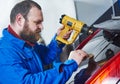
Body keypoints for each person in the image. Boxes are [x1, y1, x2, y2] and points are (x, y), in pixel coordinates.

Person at [0, 0, 88, 84]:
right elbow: (28, 82)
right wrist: (70, 65)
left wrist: (58, 40)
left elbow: (46, 56)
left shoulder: (26, 43)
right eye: (37, 22)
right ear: (20, 20)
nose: (41, 27)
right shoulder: (4, 53)